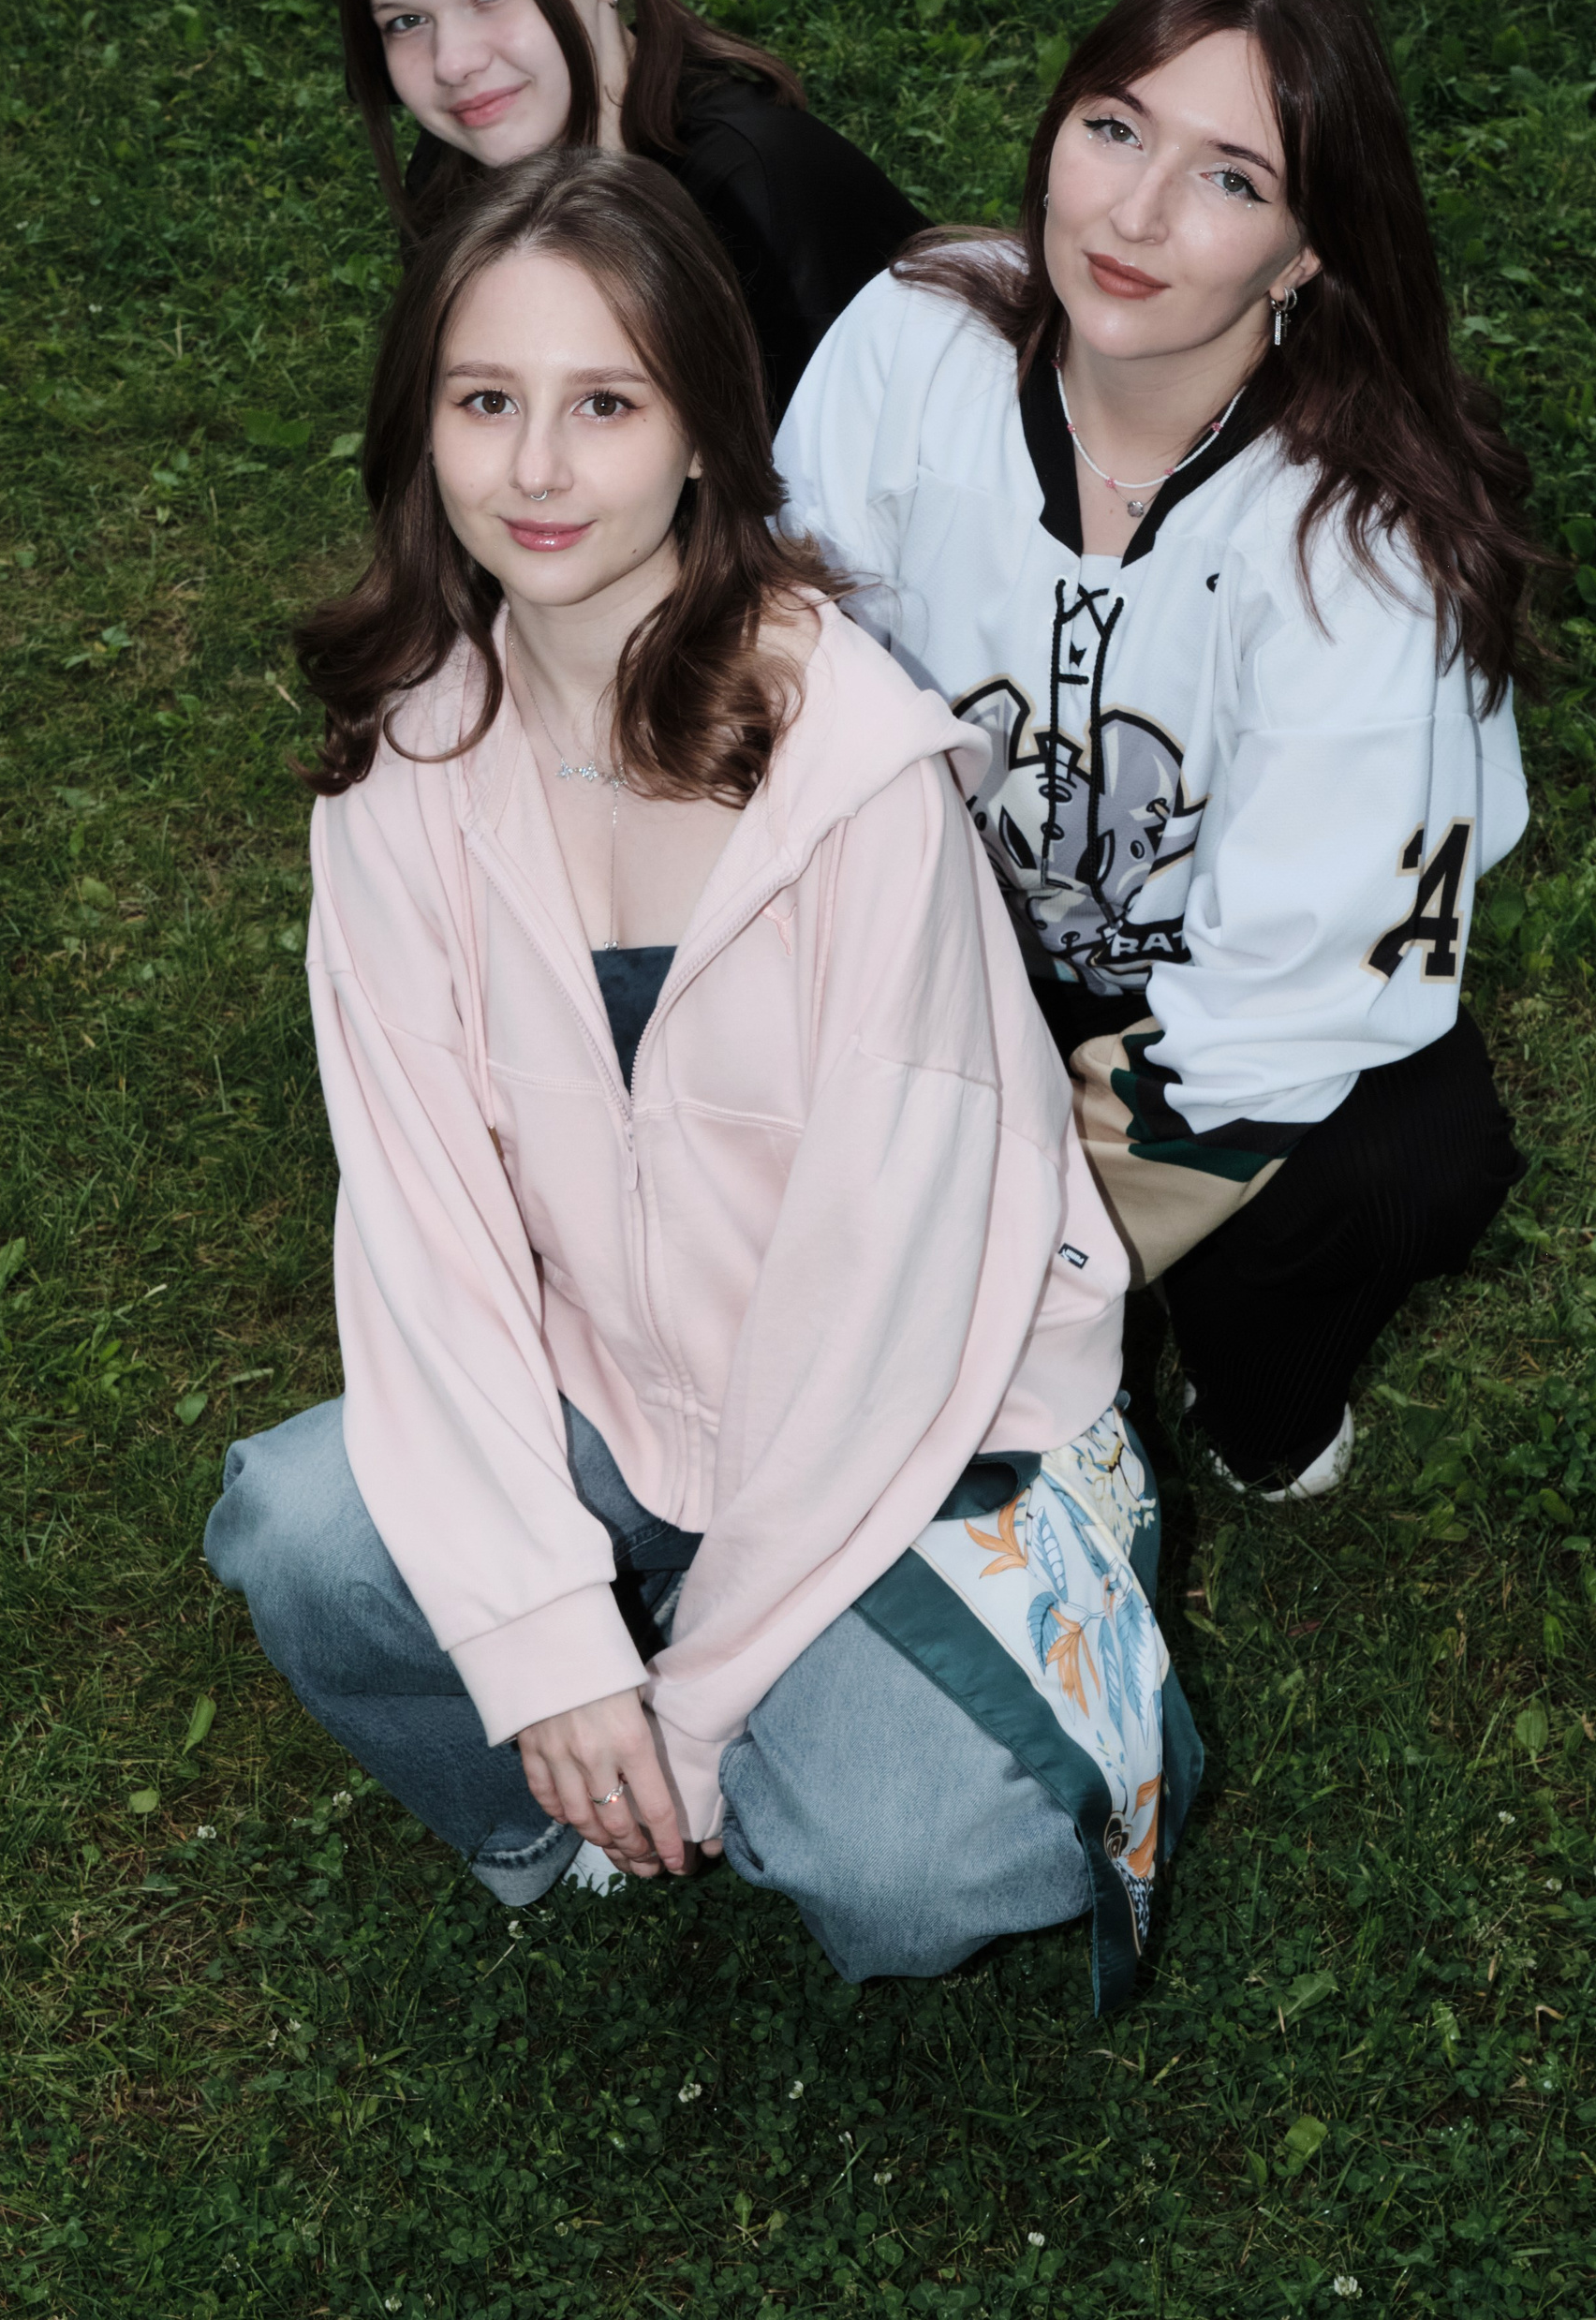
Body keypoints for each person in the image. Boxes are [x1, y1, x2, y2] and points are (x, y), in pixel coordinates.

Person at [202, 149, 1198, 2002]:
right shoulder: (404, 767)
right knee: (303, 1536)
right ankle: (556, 1821)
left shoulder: (855, 779)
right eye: (485, 402)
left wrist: (698, 1698)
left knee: (914, 1862)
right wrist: (544, 1649)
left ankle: (967, 1629)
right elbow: (425, 1238)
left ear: (699, 438)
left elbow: (881, 1313)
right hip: (623, 1378)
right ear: (419, 428)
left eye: (605, 403)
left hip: (923, 1416)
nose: (538, 467)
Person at [776, 0, 1537, 1504]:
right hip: (934, 939)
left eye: (1230, 178)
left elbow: (1299, 986)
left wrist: (1031, 1264)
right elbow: (782, 692)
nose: (1133, 214)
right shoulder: (915, 340)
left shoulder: (1358, 544)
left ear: (1306, 251)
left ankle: (1254, 1392)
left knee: (1408, 1162)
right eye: (1115, 130)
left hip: (1216, 1001)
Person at [335, 0, 924, 420]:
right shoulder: (453, 177)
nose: (452, 63)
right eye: (406, 21)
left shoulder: (758, 195)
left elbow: (885, 463)